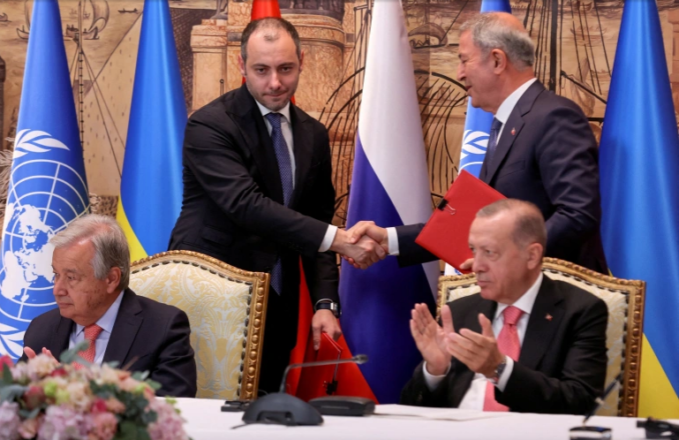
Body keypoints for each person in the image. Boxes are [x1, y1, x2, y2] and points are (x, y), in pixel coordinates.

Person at [168, 17, 384, 393]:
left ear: (301, 61)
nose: (275, 83)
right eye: (261, 70)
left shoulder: (313, 134)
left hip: (277, 304)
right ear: (241, 65)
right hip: (209, 296)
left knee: (266, 408)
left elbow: (315, 219)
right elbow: (246, 205)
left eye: (285, 68)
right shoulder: (210, 124)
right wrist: (340, 240)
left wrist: (325, 303)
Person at [347, 11, 607, 274]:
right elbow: (473, 226)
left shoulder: (554, 116)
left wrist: (508, 260)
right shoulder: (505, 125)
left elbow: (577, 213)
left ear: (497, 60)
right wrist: (390, 239)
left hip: (553, 293)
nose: (459, 74)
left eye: (464, 60)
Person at [400, 199, 608, 414]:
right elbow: (411, 412)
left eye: (489, 252)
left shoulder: (580, 311)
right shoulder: (458, 312)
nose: (476, 266)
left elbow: (580, 401)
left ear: (532, 256)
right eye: (474, 250)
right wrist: (435, 370)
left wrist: (499, 369)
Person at [21, 215, 197, 398]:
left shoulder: (163, 329)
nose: (57, 290)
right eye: (56, 274)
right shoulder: (42, 328)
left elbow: (174, 404)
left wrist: (76, 391)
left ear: (111, 279)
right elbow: (16, 402)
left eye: (71, 278)